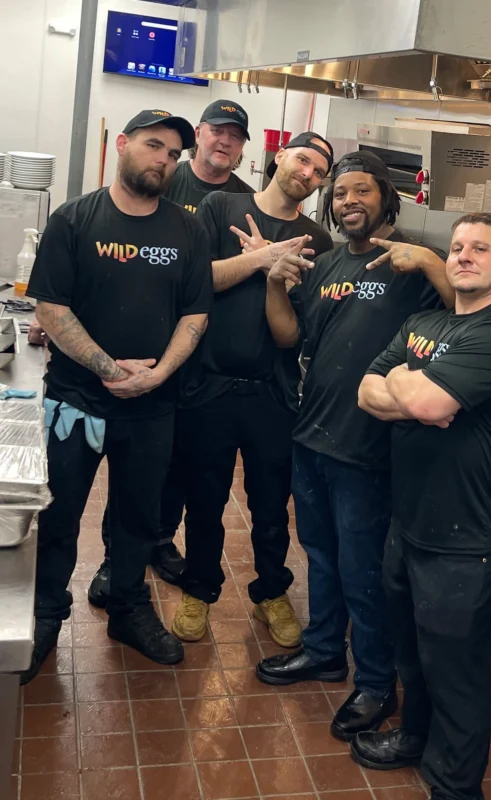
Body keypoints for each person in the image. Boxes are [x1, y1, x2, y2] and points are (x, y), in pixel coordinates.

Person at [253, 151, 453, 740]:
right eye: (340, 195)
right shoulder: (327, 263)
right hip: (312, 435)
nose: (349, 202)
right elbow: (290, 335)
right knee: (318, 553)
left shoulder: (409, 264)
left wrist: (437, 262)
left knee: (362, 568)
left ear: (386, 199)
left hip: (369, 447)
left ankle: (373, 682)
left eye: (362, 192)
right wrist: (274, 284)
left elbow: (464, 310)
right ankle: (323, 651)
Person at [354, 213, 491, 800]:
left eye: (480, 248)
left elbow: (430, 405)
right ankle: (414, 737)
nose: (463, 256)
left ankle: (455, 786)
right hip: (410, 522)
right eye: (457, 246)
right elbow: (367, 389)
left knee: (455, 673)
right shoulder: (424, 321)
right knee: (411, 650)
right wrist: (414, 387)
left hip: (468, 540)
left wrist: (412, 385)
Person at [22, 109, 213, 683]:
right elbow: (50, 307)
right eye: (155, 146)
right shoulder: (75, 220)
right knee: (60, 516)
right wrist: (108, 367)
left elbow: (196, 312)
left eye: (174, 153)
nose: (164, 160)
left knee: (139, 517)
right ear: (123, 145)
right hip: (76, 406)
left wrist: (156, 376)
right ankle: (46, 614)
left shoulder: (187, 229)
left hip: (153, 407)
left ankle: (127, 607)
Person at [171, 132, 335, 648]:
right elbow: (194, 282)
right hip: (209, 386)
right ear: (281, 155)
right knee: (203, 499)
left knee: (270, 506)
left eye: (319, 171)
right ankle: (198, 589)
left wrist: (276, 280)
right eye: (303, 159)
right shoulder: (222, 206)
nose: (307, 172)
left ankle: (271, 592)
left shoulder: (317, 242)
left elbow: (292, 333)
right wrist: (261, 260)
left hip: (273, 393)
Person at [89, 99, 254, 603]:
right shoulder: (161, 178)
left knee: (177, 463)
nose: (224, 141)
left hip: (199, 359)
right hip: (139, 353)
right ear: (199, 135)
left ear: (243, 147)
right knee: (133, 467)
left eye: (235, 136)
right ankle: (116, 557)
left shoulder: (247, 201)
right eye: (217, 132)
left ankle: (158, 541)